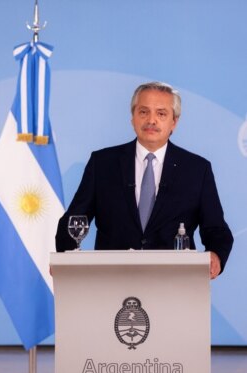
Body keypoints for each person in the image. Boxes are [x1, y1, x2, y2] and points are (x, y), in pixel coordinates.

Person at [55, 82, 233, 279]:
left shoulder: (197, 169)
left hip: (175, 282)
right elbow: (72, 223)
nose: (151, 120)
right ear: (133, 118)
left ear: (174, 122)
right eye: (143, 112)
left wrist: (216, 255)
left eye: (161, 113)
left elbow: (216, 229)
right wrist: (65, 265)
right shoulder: (103, 164)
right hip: (110, 281)